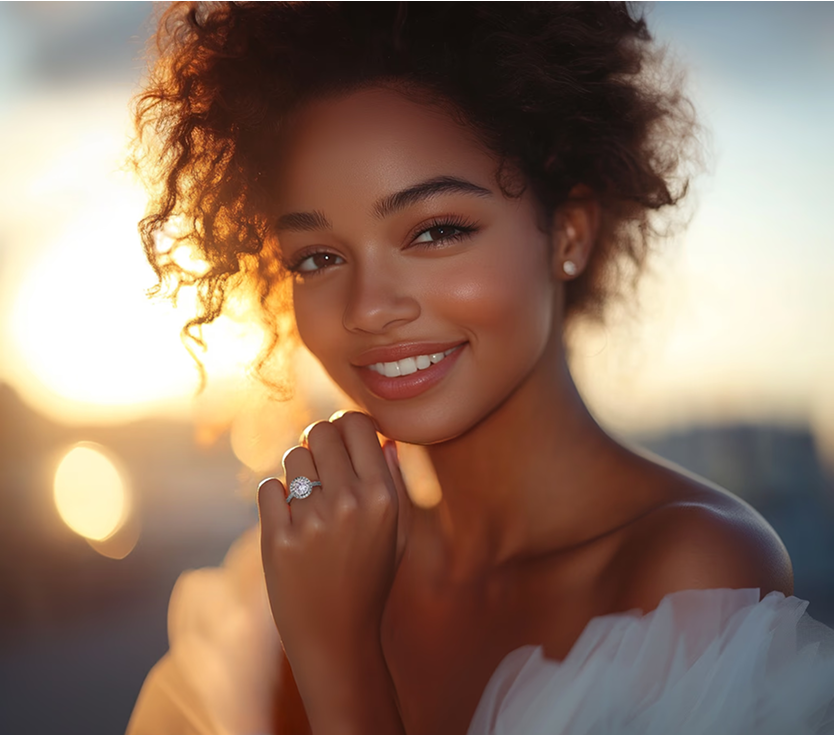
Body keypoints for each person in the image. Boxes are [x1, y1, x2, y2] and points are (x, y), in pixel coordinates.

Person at [126, 2, 834, 733]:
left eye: (436, 231)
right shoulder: (308, 568)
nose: (368, 308)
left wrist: (339, 660)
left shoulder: (691, 572)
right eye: (318, 258)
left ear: (569, 233)